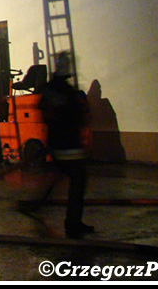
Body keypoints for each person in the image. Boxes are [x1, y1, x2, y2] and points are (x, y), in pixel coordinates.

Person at [38, 51, 94, 239]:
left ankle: (44, 206)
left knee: (65, 178)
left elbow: (46, 112)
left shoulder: (51, 89)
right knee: (77, 182)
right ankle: (73, 224)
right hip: (68, 146)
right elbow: (72, 116)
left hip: (59, 144)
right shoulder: (65, 91)